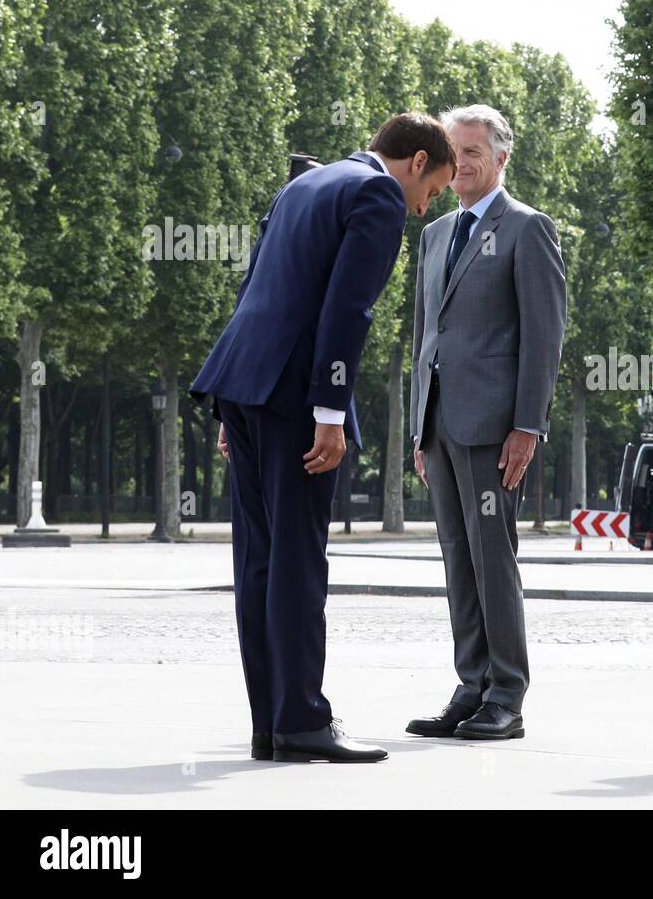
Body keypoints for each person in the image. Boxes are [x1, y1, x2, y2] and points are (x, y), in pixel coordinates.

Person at [191, 113, 456, 762]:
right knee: (300, 560)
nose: (428, 207)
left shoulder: (302, 185)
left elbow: (256, 286)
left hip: (246, 381)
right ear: (416, 161)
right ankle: (304, 719)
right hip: (292, 394)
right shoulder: (377, 195)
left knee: (257, 562)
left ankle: (271, 724)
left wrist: (235, 404)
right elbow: (348, 308)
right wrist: (330, 413)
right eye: (436, 189)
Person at [405, 104, 566, 742]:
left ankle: (507, 695)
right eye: (454, 150)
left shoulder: (528, 229)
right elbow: (425, 335)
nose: (462, 162)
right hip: (440, 425)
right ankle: (469, 687)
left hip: (495, 430)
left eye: (474, 151)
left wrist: (528, 425)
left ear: (502, 158)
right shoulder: (434, 235)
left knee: (491, 559)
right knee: (455, 558)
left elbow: (543, 337)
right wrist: (418, 429)